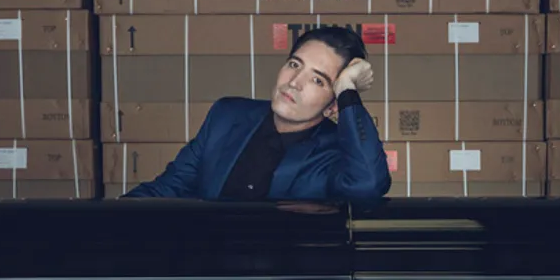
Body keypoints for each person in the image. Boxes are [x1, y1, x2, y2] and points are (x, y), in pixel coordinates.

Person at [122, 26, 391, 201]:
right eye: (294, 64)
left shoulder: (336, 152)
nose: (294, 81)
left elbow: (367, 185)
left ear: (332, 106)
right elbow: (167, 189)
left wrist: (346, 90)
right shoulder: (227, 117)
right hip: (210, 276)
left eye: (317, 80)